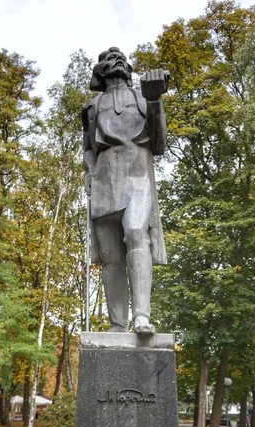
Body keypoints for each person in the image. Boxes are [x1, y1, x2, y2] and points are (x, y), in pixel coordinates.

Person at [83, 47, 169, 334]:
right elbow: (88, 148)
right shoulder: (92, 106)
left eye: (120, 56)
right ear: (100, 72)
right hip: (105, 177)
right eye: (109, 57)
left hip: (137, 173)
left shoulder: (141, 98)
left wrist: (155, 100)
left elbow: (158, 144)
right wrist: (88, 172)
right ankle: (117, 324)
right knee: (111, 256)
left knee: (135, 232)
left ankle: (142, 317)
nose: (117, 59)